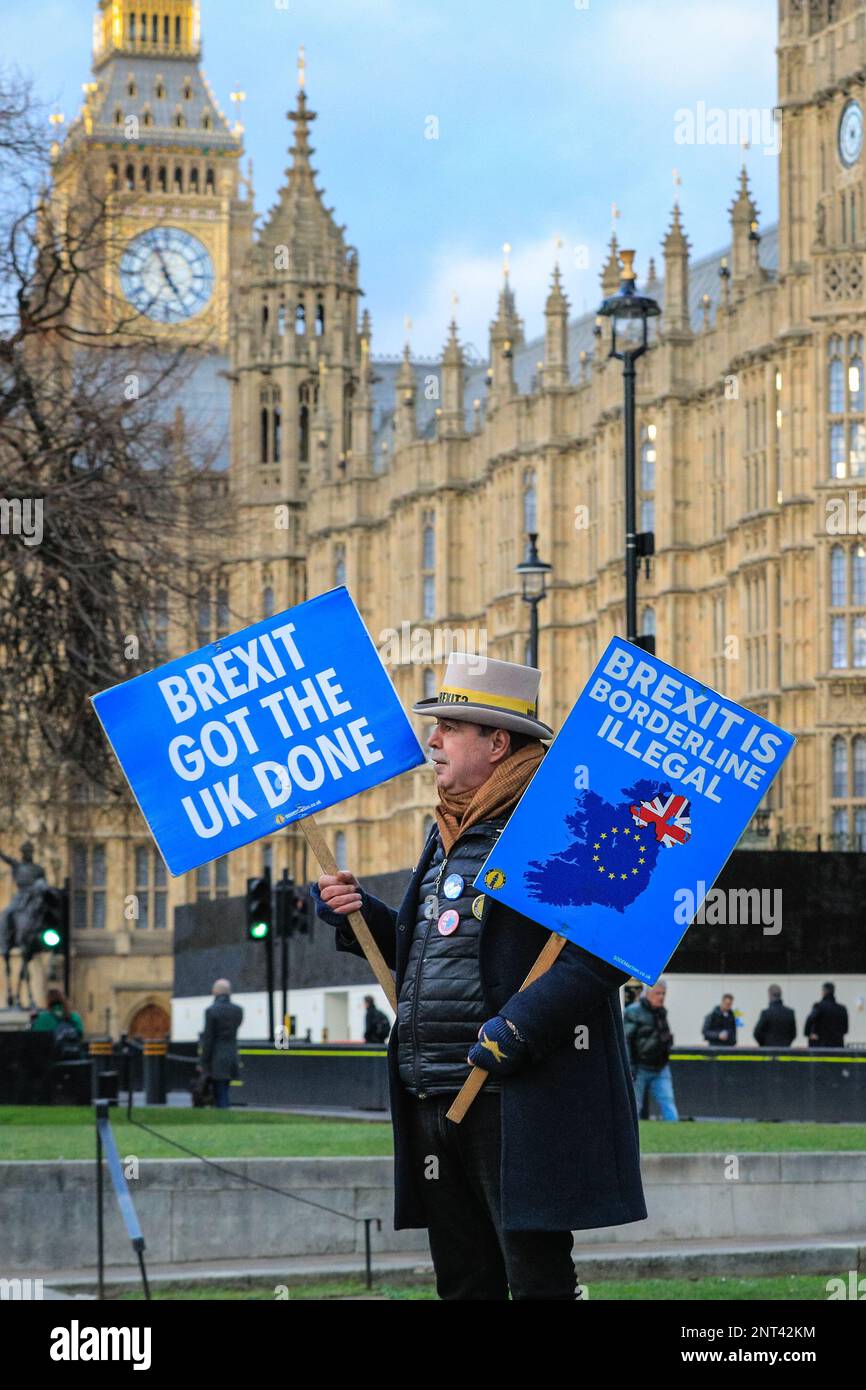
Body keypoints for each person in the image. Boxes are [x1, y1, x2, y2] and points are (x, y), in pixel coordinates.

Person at [312, 653, 646, 1302]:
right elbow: (434, 953)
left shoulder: (557, 823)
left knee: (534, 1280)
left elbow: (603, 952)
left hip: (508, 1093)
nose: (431, 742)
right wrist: (363, 917)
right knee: (466, 1283)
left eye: (450, 729)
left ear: (497, 743)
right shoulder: (449, 831)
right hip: (436, 1091)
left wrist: (519, 1029)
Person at [623, 979, 679, 1121]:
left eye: (663, 994)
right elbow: (626, 1041)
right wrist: (630, 1068)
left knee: (668, 1102)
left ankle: (675, 1135)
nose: (661, 997)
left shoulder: (661, 1012)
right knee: (633, 1107)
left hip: (660, 1067)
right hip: (639, 1069)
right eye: (657, 993)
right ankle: (632, 1141)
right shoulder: (633, 1011)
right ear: (647, 994)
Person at [199, 978, 243, 1109]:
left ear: (215, 992)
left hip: (216, 1058)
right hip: (232, 1055)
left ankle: (223, 1114)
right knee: (225, 1089)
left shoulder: (211, 1011)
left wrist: (203, 1062)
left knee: (219, 1092)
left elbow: (209, 1038)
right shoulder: (238, 1010)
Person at [30, 986, 84, 1055]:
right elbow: (81, 1035)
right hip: (75, 1057)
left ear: (48, 1001)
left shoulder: (43, 1018)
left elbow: (35, 1038)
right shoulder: (75, 1016)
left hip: (53, 1059)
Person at [804, 983, 848, 1048]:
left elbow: (810, 1019)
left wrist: (808, 1034)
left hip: (822, 1047)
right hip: (838, 1046)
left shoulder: (819, 1007)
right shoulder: (842, 1009)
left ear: (824, 992)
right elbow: (845, 1030)